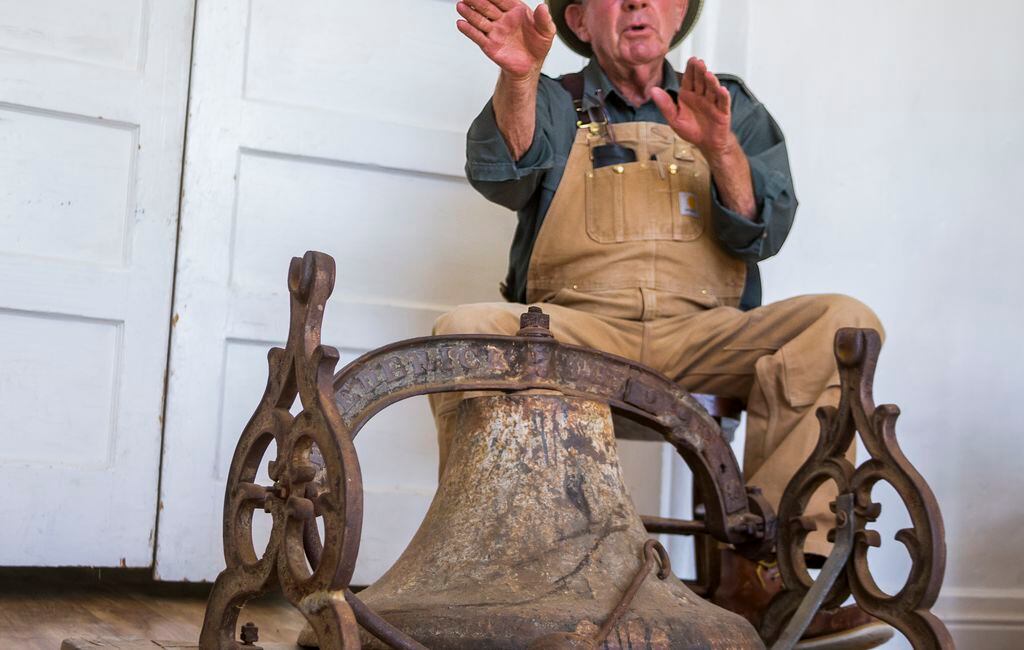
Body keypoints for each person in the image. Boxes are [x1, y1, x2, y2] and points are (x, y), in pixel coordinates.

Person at [440, 0, 892, 646]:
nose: (637, 2)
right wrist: (517, 80)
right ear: (577, 20)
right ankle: (499, 581)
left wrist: (721, 149)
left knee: (846, 326)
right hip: (579, 333)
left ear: (679, 12)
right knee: (465, 330)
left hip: (706, 334)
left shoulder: (726, 106)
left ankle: (783, 581)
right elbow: (501, 175)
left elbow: (767, 227)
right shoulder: (550, 98)